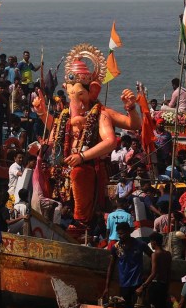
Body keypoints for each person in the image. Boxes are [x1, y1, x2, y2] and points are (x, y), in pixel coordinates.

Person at [33, 44, 141, 225]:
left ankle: (81, 223)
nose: (76, 101)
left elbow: (114, 138)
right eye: (71, 94)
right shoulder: (66, 114)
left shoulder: (101, 114)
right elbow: (57, 131)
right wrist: (42, 113)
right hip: (64, 167)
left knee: (79, 174)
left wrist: (131, 108)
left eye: (80, 95)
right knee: (43, 169)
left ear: (93, 91)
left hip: (88, 167)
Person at [103, 222, 153, 308]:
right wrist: (107, 287)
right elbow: (111, 267)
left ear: (128, 232)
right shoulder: (116, 247)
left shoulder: (140, 244)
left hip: (138, 284)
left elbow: (153, 257)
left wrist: (149, 274)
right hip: (124, 285)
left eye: (122, 233)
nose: (120, 236)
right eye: (118, 234)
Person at [136, 232, 172, 308]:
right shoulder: (168, 254)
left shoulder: (155, 255)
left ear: (154, 242)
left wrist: (142, 286)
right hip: (164, 286)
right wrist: (168, 287)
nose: (150, 243)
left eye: (151, 241)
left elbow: (153, 273)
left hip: (155, 286)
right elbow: (169, 272)